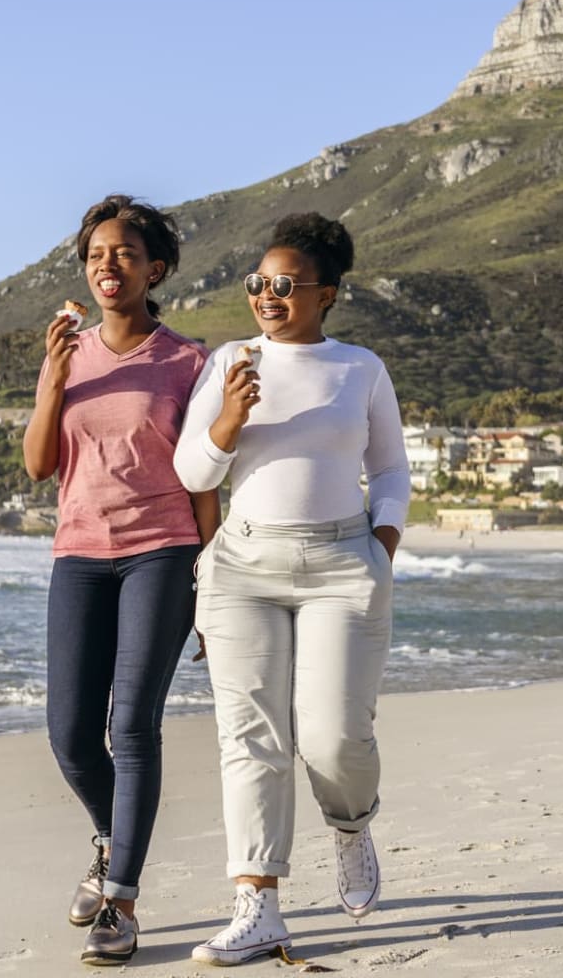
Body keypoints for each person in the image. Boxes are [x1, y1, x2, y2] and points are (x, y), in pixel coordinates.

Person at [173, 213, 409, 966]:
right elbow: (193, 474)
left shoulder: (360, 368)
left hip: (344, 560)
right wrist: (231, 418)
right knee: (251, 741)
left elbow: (393, 469)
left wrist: (383, 543)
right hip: (242, 564)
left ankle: (350, 826)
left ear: (326, 294)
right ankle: (259, 904)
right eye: (257, 284)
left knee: (335, 737)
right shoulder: (228, 363)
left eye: (284, 285)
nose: (267, 297)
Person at [22, 194, 217, 966]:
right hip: (79, 554)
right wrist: (55, 374)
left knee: (130, 727)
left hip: (161, 552)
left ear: (155, 269)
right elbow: (39, 465)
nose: (110, 265)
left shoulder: (187, 362)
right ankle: (111, 842)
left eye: (126, 254)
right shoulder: (66, 353)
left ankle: (123, 902)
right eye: (98, 254)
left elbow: (203, 479)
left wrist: (210, 575)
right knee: (70, 734)